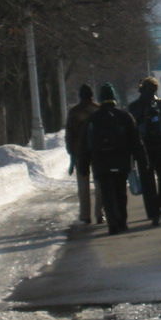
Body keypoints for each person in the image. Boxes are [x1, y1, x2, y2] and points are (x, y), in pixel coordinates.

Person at [86, 82, 147, 235]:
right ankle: (122, 221)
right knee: (120, 191)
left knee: (107, 193)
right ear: (114, 98)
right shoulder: (124, 116)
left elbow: (85, 144)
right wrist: (141, 159)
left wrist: (83, 164)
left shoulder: (93, 119)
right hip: (121, 160)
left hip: (101, 162)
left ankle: (112, 223)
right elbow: (135, 140)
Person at [127, 77, 161, 226]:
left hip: (143, 150)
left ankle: (153, 213)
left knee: (147, 181)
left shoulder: (134, 108)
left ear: (141, 89)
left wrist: (132, 150)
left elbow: (130, 131)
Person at [64, 83, 103, 225]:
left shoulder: (74, 112)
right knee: (100, 183)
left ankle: (85, 214)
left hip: (79, 151)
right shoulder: (98, 109)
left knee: (83, 184)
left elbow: (69, 133)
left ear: (80, 96)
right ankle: (99, 213)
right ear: (92, 95)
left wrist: (70, 150)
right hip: (97, 151)